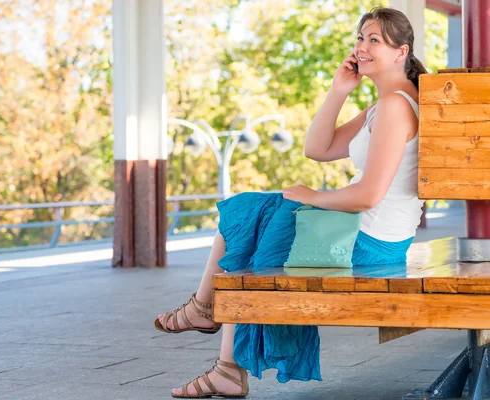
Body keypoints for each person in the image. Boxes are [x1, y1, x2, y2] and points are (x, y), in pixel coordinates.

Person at [155, 6, 427, 398]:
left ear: (401, 52)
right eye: (360, 38)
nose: (362, 48)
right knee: (255, 215)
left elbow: (369, 194)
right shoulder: (382, 105)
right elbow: (317, 148)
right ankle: (221, 354)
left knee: (254, 214)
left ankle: (209, 324)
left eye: (375, 41)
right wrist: (338, 90)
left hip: (368, 240)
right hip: (363, 231)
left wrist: (314, 197)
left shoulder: (396, 106)